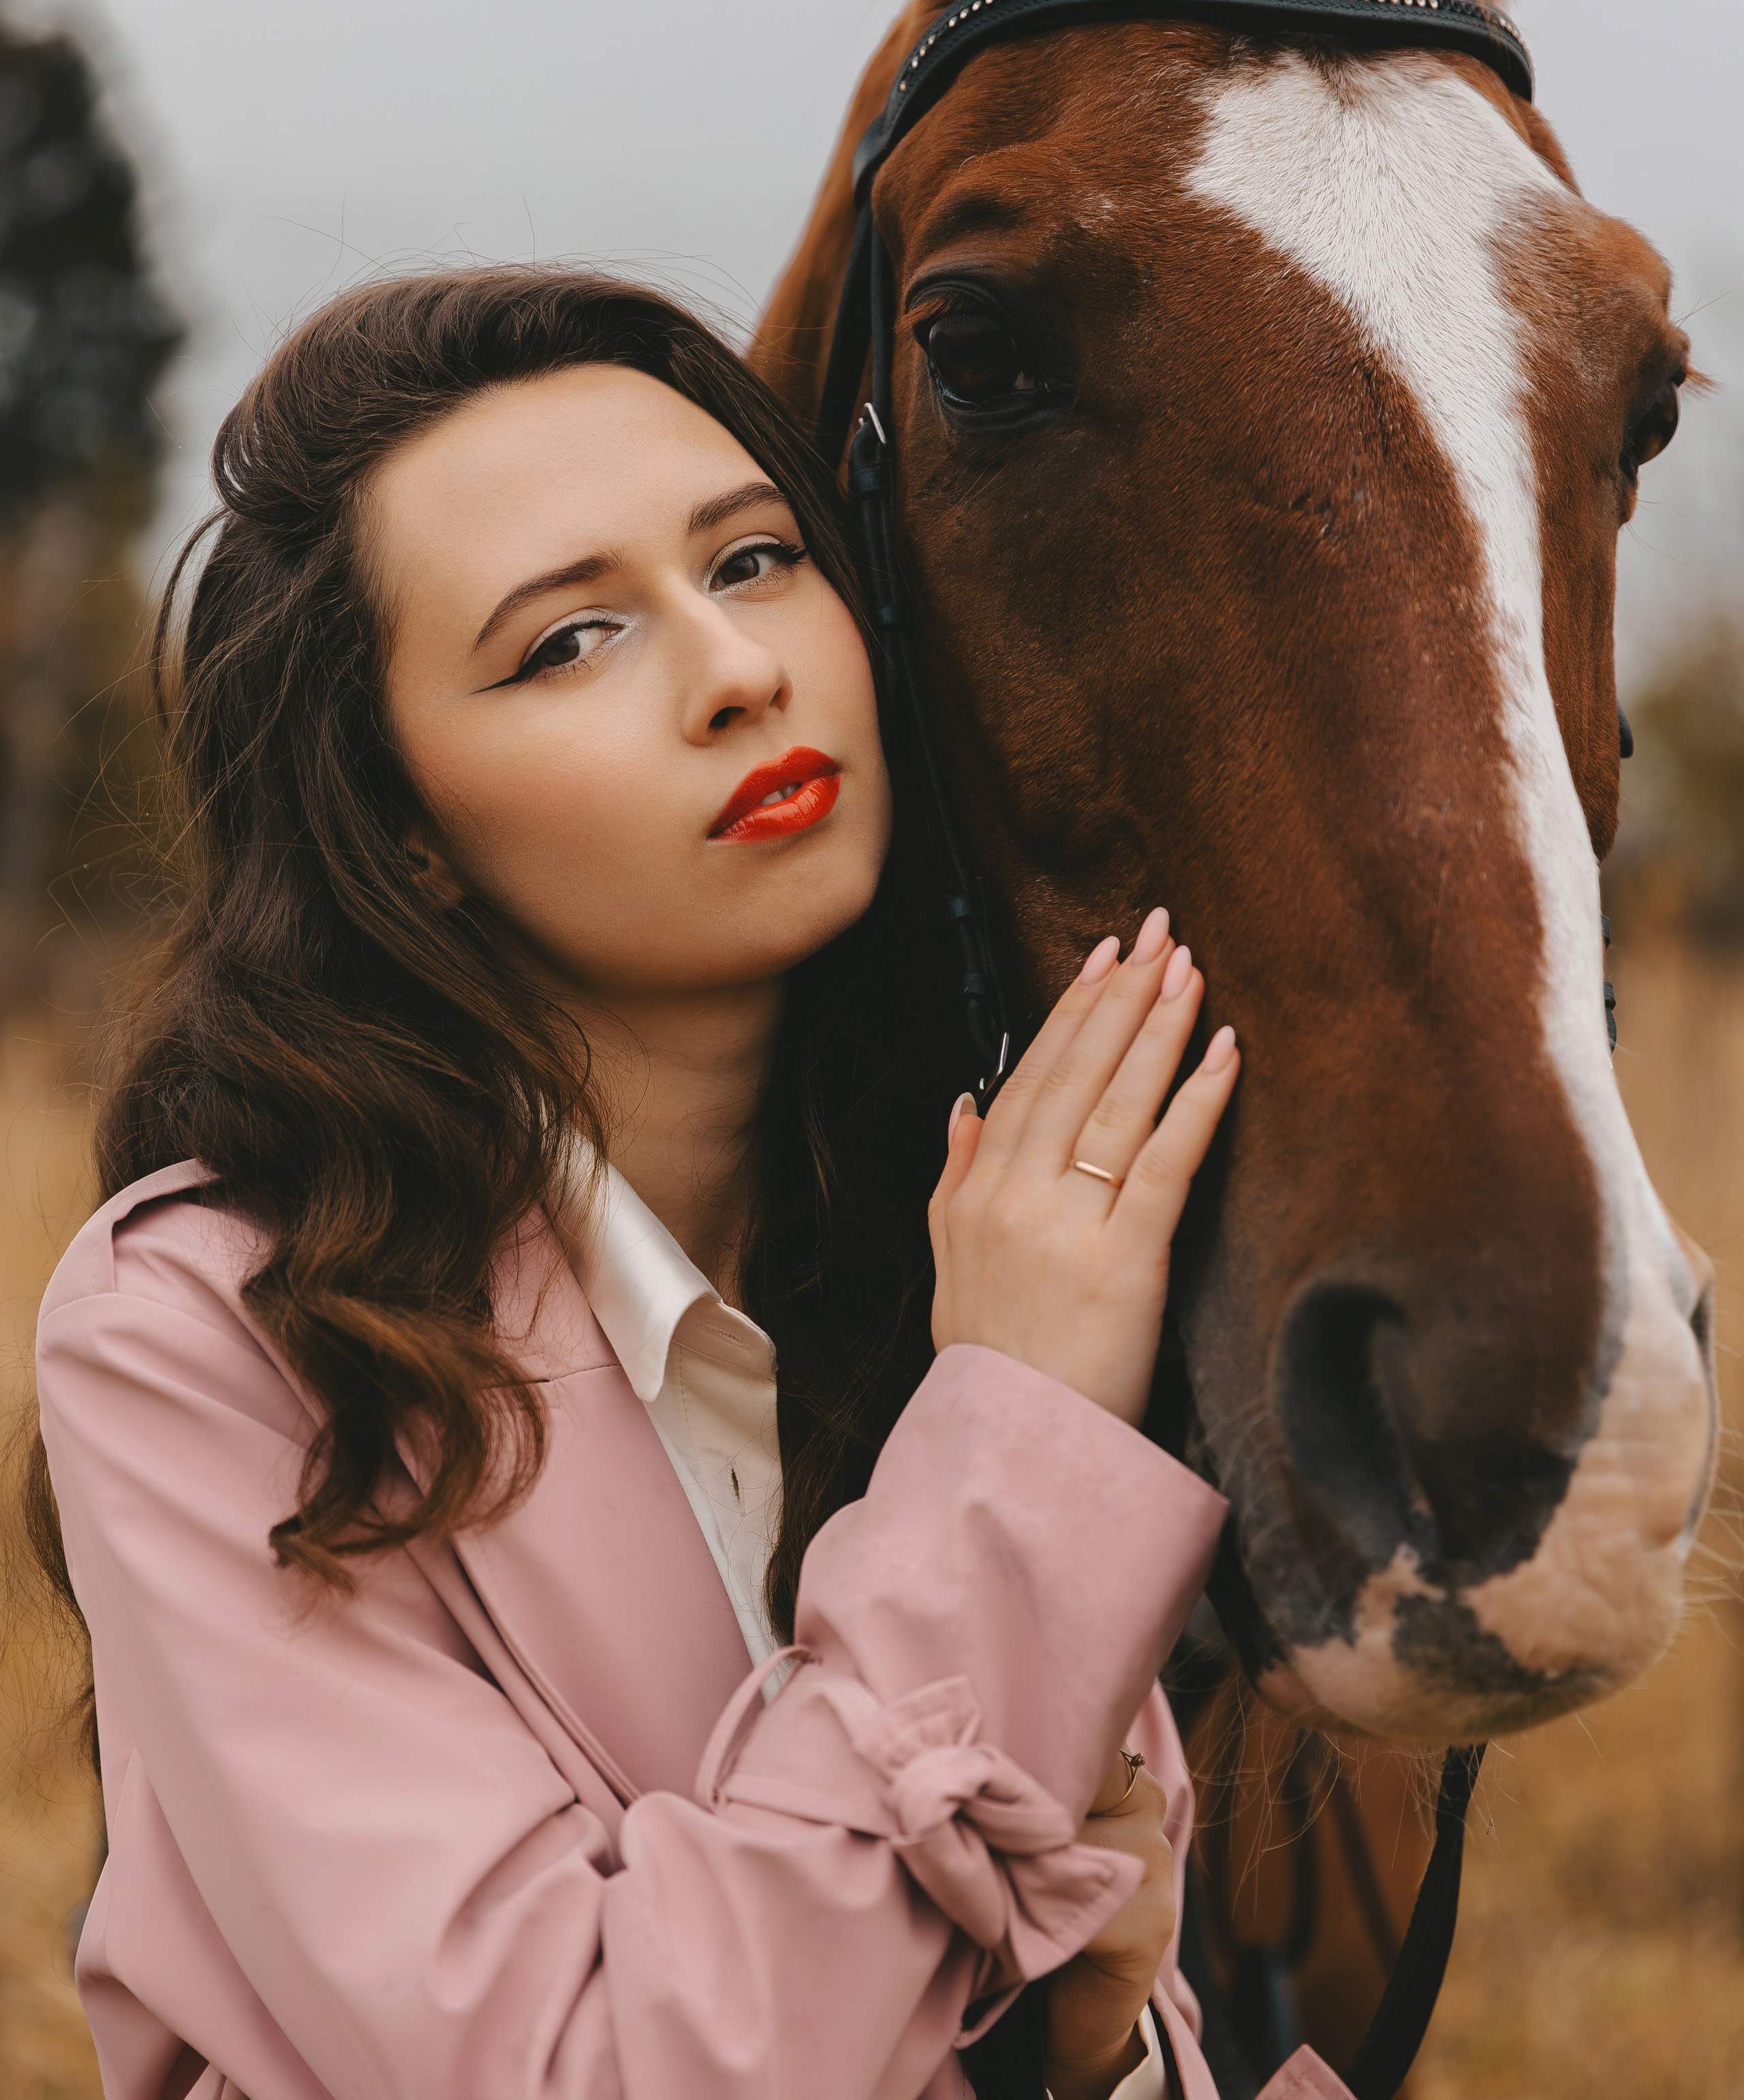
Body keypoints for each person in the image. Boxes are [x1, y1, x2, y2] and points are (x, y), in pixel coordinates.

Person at [30, 270, 1243, 2100]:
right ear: (406, 834)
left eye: (754, 561)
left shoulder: (968, 1247)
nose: (738, 667)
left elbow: (1090, 2005)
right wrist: (1018, 1426)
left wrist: (1105, 2043)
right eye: (568, 643)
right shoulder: (213, 1335)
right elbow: (580, 2066)